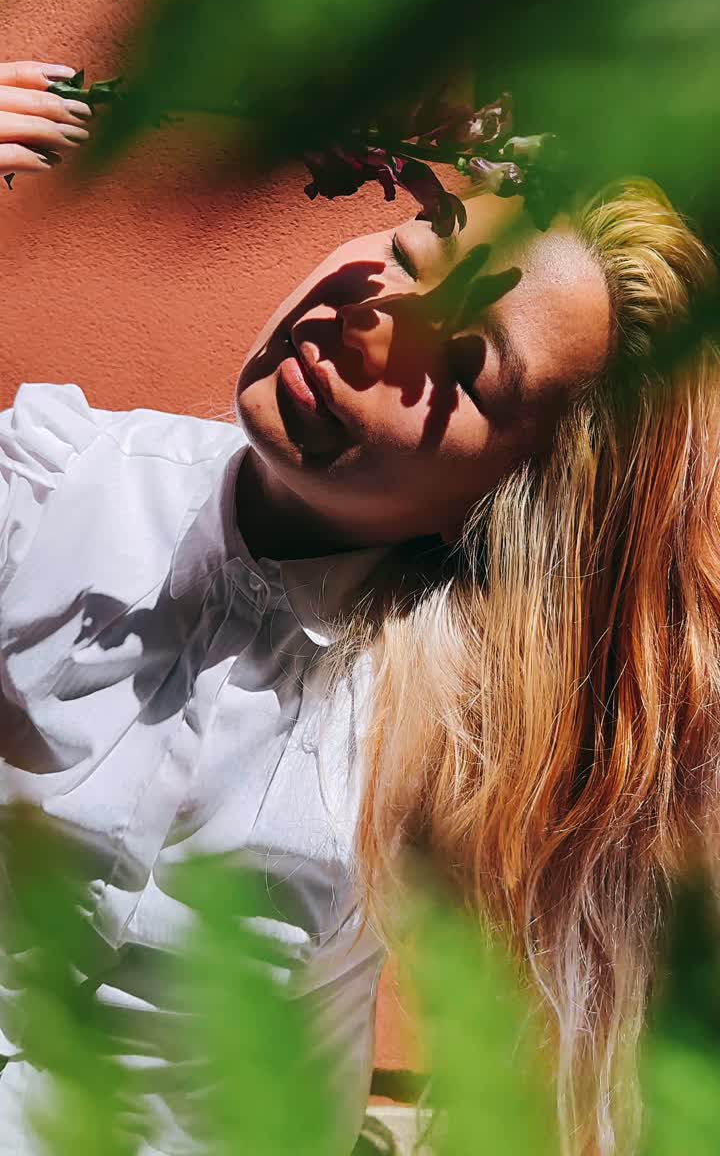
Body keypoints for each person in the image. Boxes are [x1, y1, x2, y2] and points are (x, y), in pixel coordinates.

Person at [0, 59, 718, 1156]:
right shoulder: (48, 485)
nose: (372, 320)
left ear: (517, 499)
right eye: (409, 250)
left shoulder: (486, 723)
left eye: (468, 368)